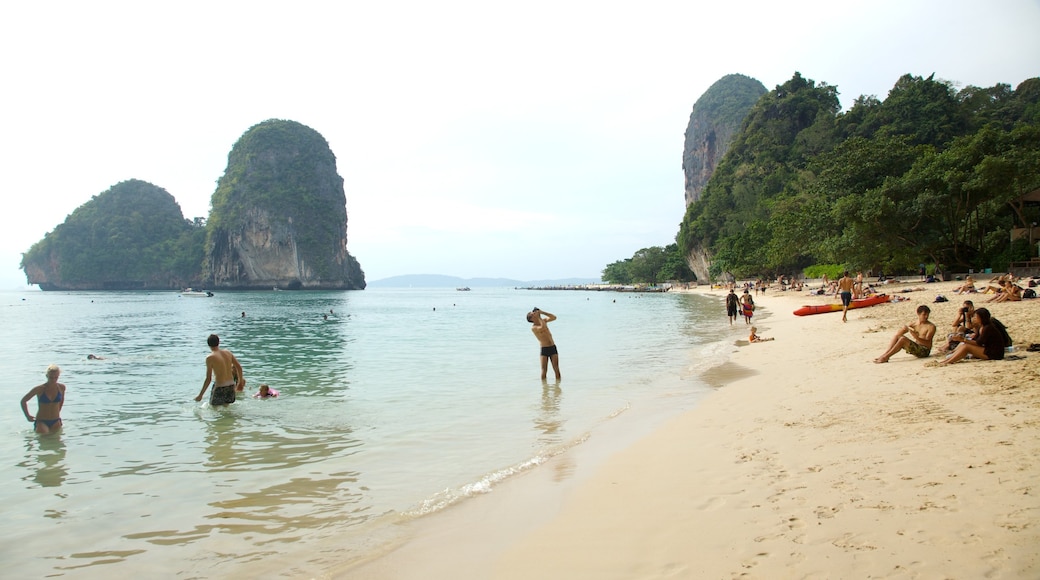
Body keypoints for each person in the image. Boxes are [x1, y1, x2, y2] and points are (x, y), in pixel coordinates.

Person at [940, 307, 1005, 365]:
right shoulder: (982, 326)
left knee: (966, 347)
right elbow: (976, 339)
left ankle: (948, 361)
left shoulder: (988, 328)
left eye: (976, 317)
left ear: (981, 318)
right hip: (989, 350)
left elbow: (978, 343)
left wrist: (963, 339)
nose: (974, 319)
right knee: (964, 345)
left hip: (994, 353)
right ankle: (947, 360)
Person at [195, 334, 245, 405]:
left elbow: (208, 378)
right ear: (219, 342)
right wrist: (240, 382)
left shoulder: (210, 358)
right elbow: (239, 367)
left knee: (215, 410)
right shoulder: (228, 353)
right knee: (226, 408)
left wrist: (201, 395)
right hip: (231, 386)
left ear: (208, 344)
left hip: (220, 387)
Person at [21, 364, 65, 434]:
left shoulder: (61, 387)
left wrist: (57, 412)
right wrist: (27, 416)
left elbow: (61, 401)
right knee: (44, 441)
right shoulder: (39, 389)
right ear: (47, 376)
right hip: (42, 421)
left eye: (56, 377)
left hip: (56, 420)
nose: (53, 380)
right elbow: (23, 401)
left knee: (57, 443)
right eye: (51, 377)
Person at [528, 308, 561, 381]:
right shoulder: (534, 328)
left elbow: (554, 317)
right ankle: (544, 390)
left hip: (552, 347)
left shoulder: (543, 321)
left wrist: (542, 312)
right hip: (544, 349)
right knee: (544, 370)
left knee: (556, 368)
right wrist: (539, 317)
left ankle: (558, 388)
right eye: (532, 314)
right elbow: (542, 327)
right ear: (531, 319)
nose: (534, 313)